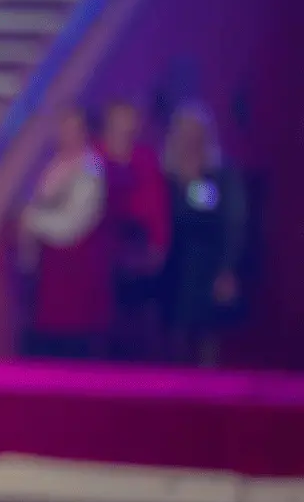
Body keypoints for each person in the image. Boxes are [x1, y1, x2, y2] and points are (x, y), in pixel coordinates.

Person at [157, 102, 247, 366]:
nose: (189, 140)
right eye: (183, 133)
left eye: (195, 133)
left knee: (207, 333)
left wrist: (227, 269)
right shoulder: (166, 174)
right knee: (174, 334)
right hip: (174, 265)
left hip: (207, 265)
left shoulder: (220, 175)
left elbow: (233, 222)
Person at [19, 107, 111, 359]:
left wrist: (35, 221)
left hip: (76, 262)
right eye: (64, 129)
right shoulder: (55, 164)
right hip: (51, 263)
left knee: (73, 334)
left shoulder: (91, 168)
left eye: (73, 130)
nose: (67, 135)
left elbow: (76, 220)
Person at [99, 101, 170, 360]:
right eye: (120, 121)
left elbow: (157, 204)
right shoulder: (95, 155)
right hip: (103, 244)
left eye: (131, 122)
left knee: (138, 316)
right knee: (105, 314)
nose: (126, 128)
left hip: (137, 244)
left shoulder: (145, 158)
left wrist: (158, 243)